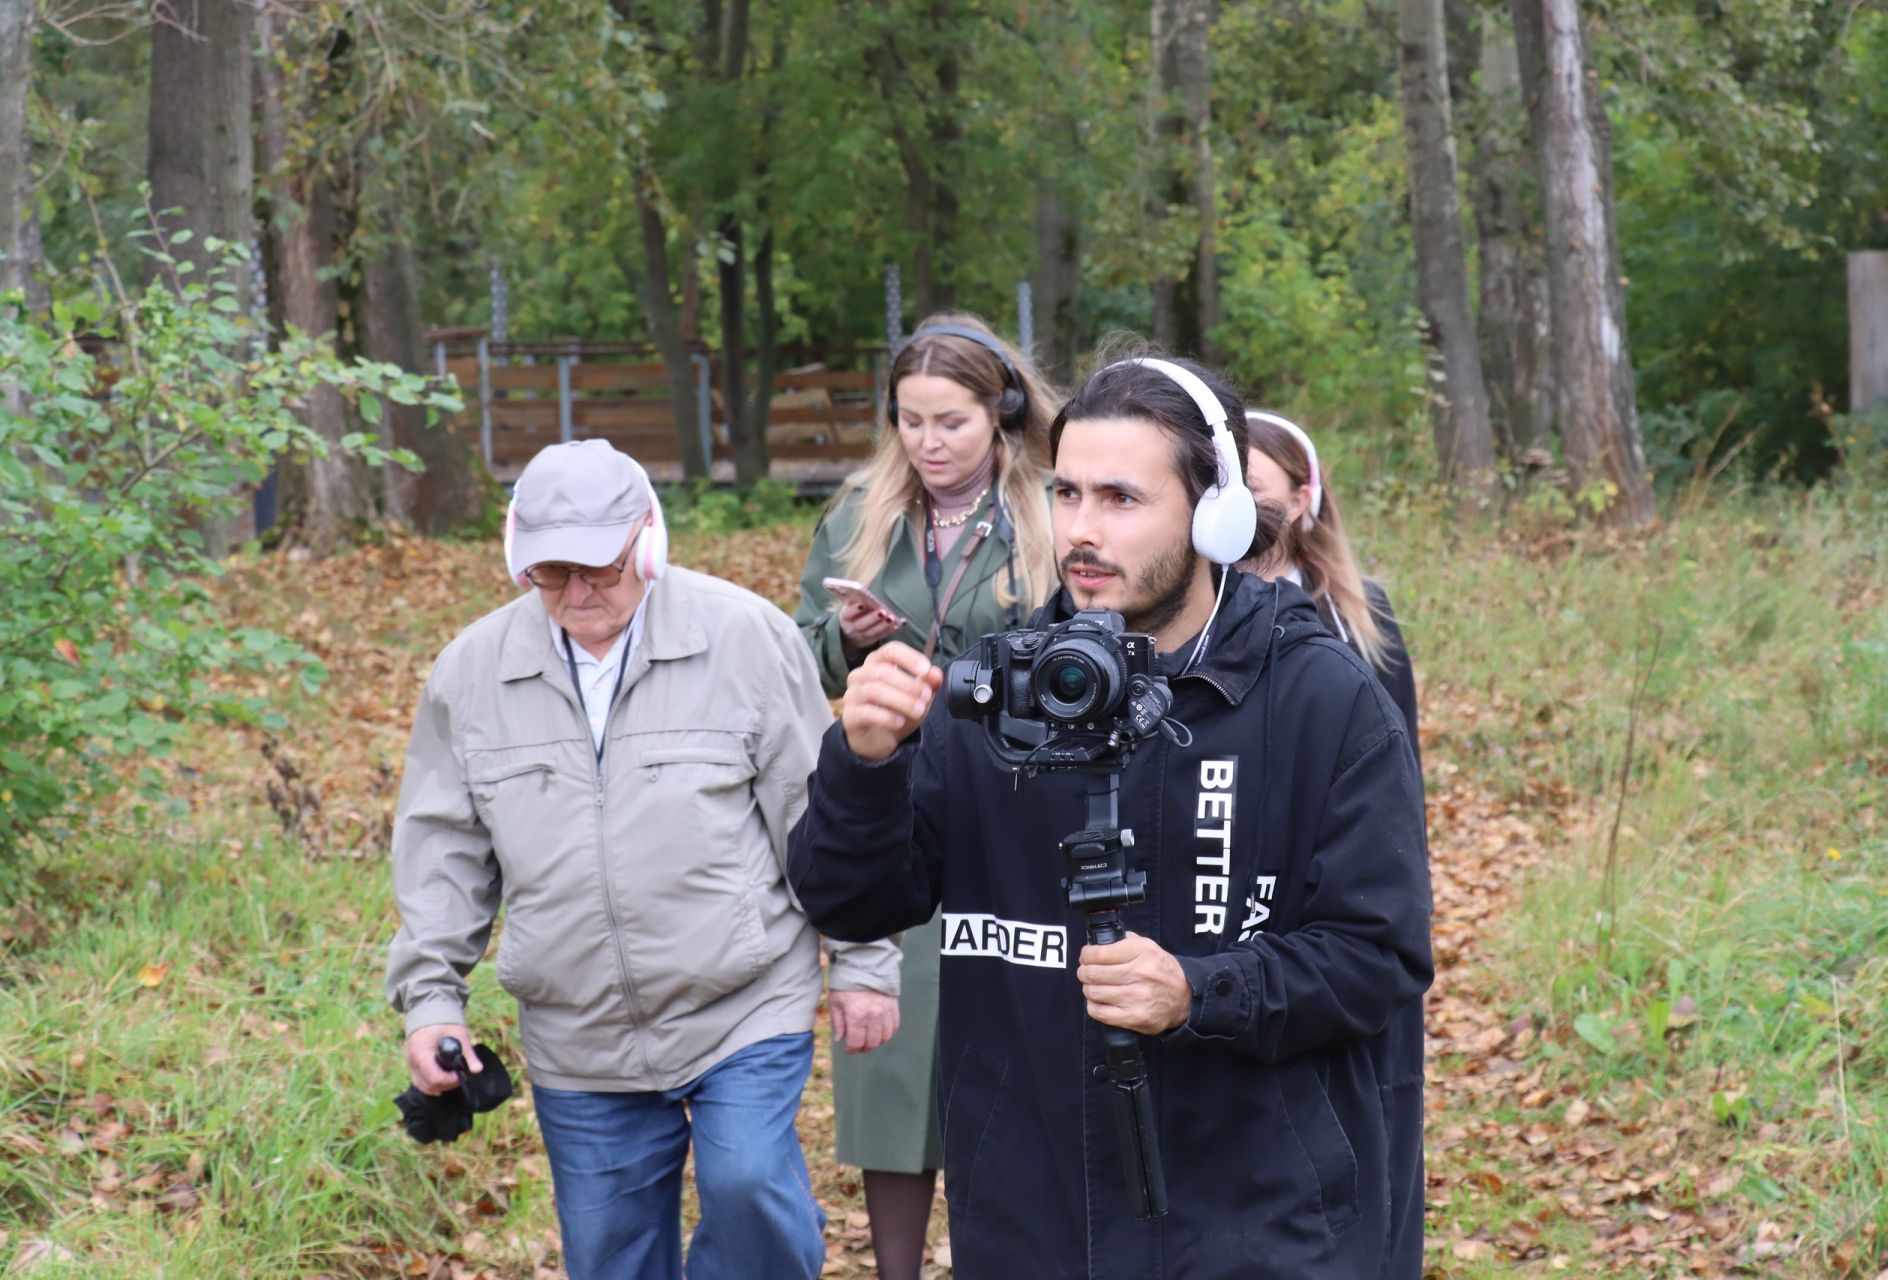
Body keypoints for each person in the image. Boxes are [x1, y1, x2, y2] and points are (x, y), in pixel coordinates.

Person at [788, 353, 1434, 1278]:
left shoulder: (1320, 700)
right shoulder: (995, 698)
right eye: (1067, 493)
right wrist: (863, 763)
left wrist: (1200, 990)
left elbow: (1381, 954)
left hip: (1260, 1221)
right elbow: (848, 903)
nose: (1081, 531)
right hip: (1034, 1215)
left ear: (1215, 514)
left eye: (1122, 499)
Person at [385, 438, 898, 1280]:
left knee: (748, 1186)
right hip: (577, 1027)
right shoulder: (471, 674)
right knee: (611, 1256)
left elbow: (824, 817)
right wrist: (431, 1002)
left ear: (647, 545)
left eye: (600, 569)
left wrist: (866, 963)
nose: (579, 593)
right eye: (552, 574)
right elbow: (443, 849)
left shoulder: (746, 639)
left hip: (743, 999)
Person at [793, 314, 1059, 1280]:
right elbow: (804, 649)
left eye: (950, 421)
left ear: (1004, 414)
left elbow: (1087, 649)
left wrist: (975, 678)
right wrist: (855, 637)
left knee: (1019, 1042)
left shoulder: (1048, 508)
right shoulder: (864, 507)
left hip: (1015, 795)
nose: (927, 443)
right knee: (893, 1068)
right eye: (909, 421)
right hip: (893, 799)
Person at [1240, 411, 1420, 759]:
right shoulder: (1191, 606)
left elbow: (1399, 752)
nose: (1234, 501)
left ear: (1298, 502)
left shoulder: (1358, 612)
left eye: (1251, 488)